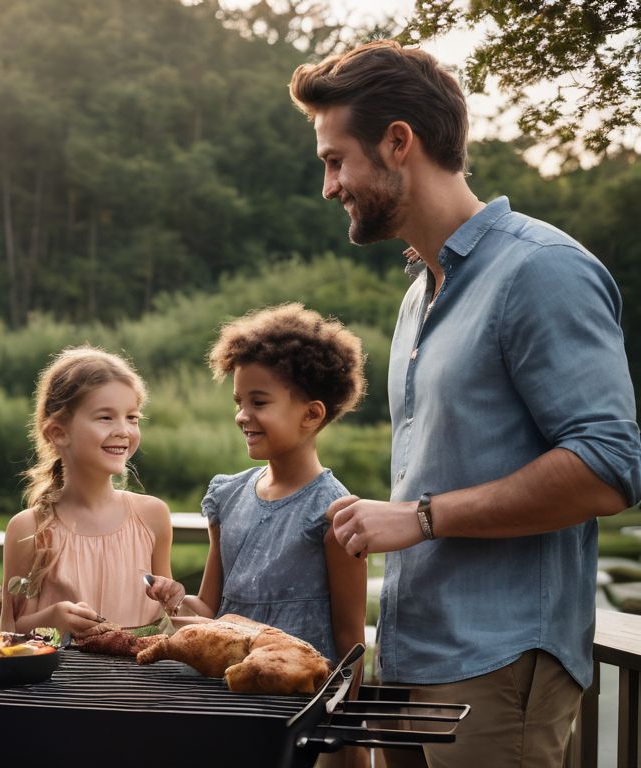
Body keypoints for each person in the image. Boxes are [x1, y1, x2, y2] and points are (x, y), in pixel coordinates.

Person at [290, 40, 641, 768]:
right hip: (413, 657)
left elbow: (610, 468)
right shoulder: (420, 293)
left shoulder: (541, 270)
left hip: (500, 666)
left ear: (397, 143)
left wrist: (419, 517)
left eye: (334, 159)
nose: (329, 186)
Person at [145, 303, 367, 668]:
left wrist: (345, 717)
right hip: (225, 693)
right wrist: (175, 598)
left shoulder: (335, 513)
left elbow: (349, 638)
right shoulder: (227, 497)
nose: (242, 416)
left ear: (311, 414)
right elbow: (209, 610)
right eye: (239, 402)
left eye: (258, 402)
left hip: (294, 703)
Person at [0, 346, 173, 634]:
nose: (124, 431)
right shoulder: (28, 529)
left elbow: (168, 618)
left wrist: (173, 595)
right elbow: (7, 634)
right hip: (64, 680)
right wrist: (51, 618)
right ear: (58, 433)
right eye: (106, 417)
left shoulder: (153, 516)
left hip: (141, 679)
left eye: (132, 417)